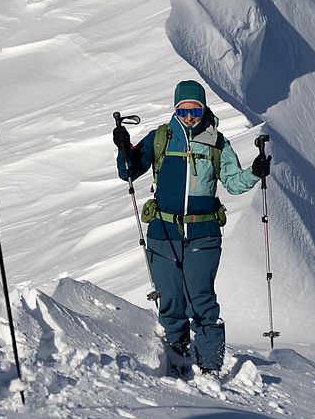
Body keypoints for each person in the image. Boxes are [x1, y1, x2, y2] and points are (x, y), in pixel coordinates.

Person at [113, 80, 270, 374]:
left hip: (203, 232)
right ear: (175, 110)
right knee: (170, 300)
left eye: (194, 110)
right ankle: (177, 360)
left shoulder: (217, 143)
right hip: (163, 231)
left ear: (203, 108)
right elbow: (129, 172)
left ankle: (210, 368)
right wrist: (124, 147)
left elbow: (234, 183)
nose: (189, 118)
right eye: (183, 111)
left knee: (201, 301)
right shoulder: (161, 138)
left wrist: (254, 172)